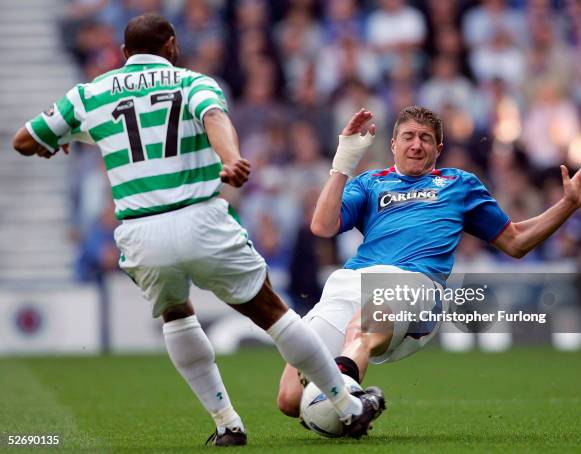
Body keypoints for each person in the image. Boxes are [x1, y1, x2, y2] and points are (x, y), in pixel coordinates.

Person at [12, 13, 385, 447]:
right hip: (198, 218)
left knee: (176, 315)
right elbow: (213, 118)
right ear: (171, 44)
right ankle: (347, 406)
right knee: (271, 312)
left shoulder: (88, 95)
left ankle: (227, 423)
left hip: (140, 231)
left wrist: (59, 140)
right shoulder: (194, 83)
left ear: (123, 54)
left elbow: (24, 139)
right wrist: (230, 158)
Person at [276, 106, 581, 418]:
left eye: (425, 138)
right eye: (408, 136)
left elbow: (515, 241)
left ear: (438, 148)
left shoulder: (459, 185)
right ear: (393, 144)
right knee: (290, 398)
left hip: (415, 283)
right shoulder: (370, 183)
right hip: (350, 282)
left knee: (360, 330)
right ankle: (356, 404)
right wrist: (343, 162)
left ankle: (351, 409)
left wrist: (567, 205)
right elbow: (322, 225)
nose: (416, 145)